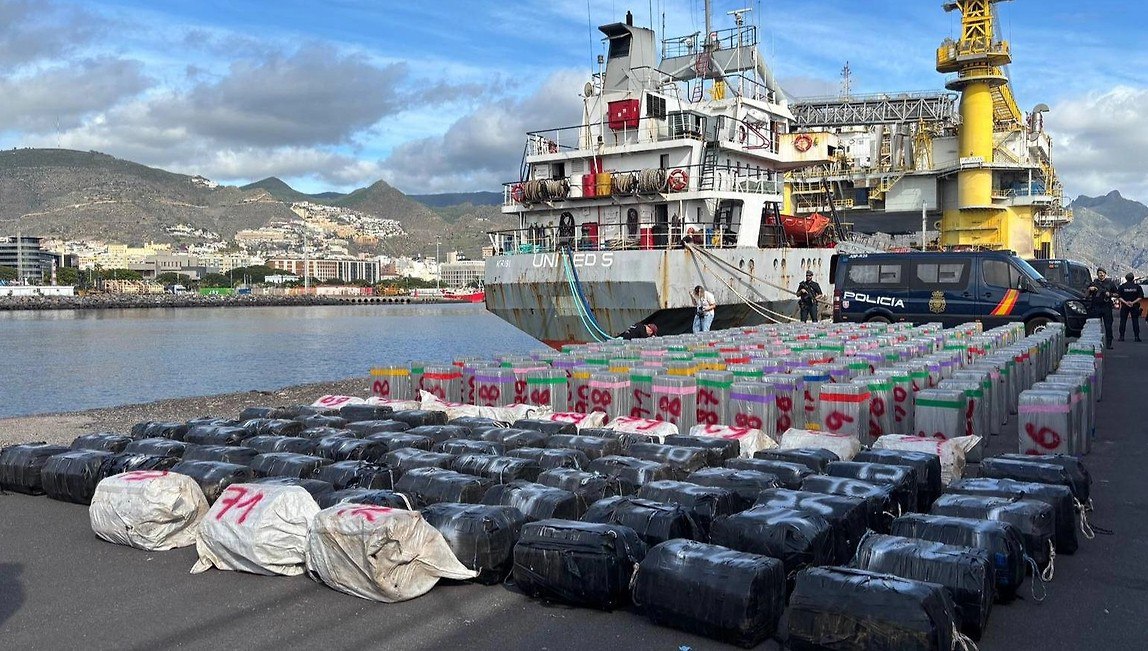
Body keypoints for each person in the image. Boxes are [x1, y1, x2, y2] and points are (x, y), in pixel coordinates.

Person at [1085, 267, 1119, 349]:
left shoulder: (1110, 283)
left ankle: (1109, 344)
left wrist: (1109, 294)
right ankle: (1095, 344)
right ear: (1097, 274)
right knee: (1095, 327)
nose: (1101, 274)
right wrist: (1090, 289)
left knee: (1108, 326)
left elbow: (1117, 294)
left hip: (1106, 307)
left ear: (1105, 274)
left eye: (1103, 273)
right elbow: (1086, 295)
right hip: (1096, 307)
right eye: (1100, 273)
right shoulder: (1094, 283)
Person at [1117, 271, 1144, 342]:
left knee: (1123, 321)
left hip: (1125, 306)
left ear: (1126, 278)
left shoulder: (1122, 287)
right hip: (1134, 306)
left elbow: (1118, 296)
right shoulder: (1137, 287)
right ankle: (1136, 337)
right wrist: (1132, 302)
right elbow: (1140, 297)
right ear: (1133, 278)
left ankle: (1121, 337)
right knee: (1135, 321)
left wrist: (1126, 302)